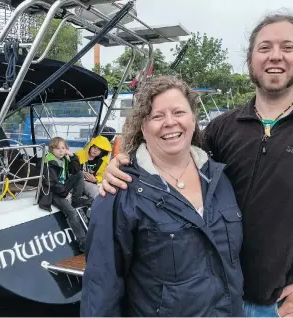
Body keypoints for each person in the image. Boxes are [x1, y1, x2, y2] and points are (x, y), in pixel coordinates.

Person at [99, 11, 293, 317]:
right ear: (250, 58)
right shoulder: (222, 128)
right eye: (264, 47)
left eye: (287, 47)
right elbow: (171, 159)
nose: (275, 56)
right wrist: (123, 166)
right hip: (215, 301)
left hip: (284, 305)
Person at [80, 76, 244, 317]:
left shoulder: (219, 179)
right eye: (157, 116)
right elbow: (101, 290)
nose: (170, 122)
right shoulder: (120, 192)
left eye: (179, 112)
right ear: (143, 126)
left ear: (193, 119)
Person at [38, 137, 92, 252]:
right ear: (51, 149)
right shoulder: (48, 162)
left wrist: (72, 155)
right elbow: (51, 183)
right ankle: (82, 242)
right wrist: (66, 193)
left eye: (63, 148)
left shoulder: (64, 159)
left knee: (79, 174)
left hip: (62, 188)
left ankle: (76, 198)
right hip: (52, 193)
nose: (61, 151)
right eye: (57, 148)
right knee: (72, 213)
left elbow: (76, 169)